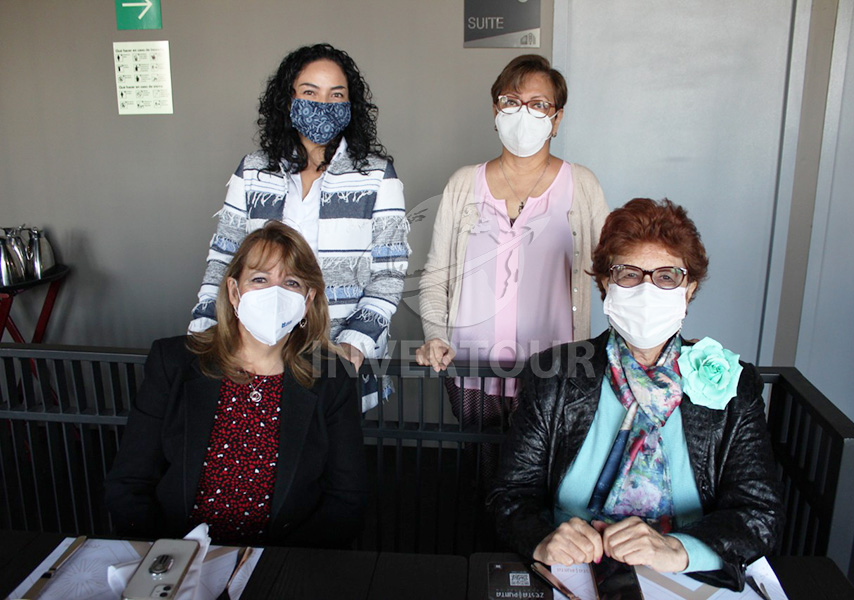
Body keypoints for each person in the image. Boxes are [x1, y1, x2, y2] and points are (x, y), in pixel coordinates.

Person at [486, 199, 783, 591]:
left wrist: (678, 549)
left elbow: (758, 512)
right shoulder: (554, 375)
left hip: (688, 575)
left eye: (666, 277)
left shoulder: (733, 382)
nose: (646, 290)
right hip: (575, 569)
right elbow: (510, 496)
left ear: (689, 289)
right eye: (628, 274)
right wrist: (542, 538)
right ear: (606, 284)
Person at [106, 221, 366, 547]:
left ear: (308, 299)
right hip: (177, 560)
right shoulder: (173, 362)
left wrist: (276, 569)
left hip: (278, 564)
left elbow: (346, 499)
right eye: (260, 279)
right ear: (233, 291)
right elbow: (129, 483)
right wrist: (166, 558)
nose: (275, 293)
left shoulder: (331, 378)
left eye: (291, 282)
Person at [415, 55, 609, 477]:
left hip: (552, 372)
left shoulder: (582, 186)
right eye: (511, 101)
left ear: (556, 120)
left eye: (539, 105)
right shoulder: (464, 183)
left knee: (544, 479)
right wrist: (434, 336)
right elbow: (435, 277)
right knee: (483, 475)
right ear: (495, 111)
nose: (524, 114)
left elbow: (615, 274)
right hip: (471, 367)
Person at [190, 43, 408, 411]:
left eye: (336, 95)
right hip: (258, 348)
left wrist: (357, 340)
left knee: (332, 456)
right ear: (288, 101)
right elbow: (224, 258)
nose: (323, 105)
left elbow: (388, 273)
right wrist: (206, 326)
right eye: (310, 93)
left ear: (350, 106)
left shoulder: (376, 175)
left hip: (338, 352)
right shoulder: (253, 170)